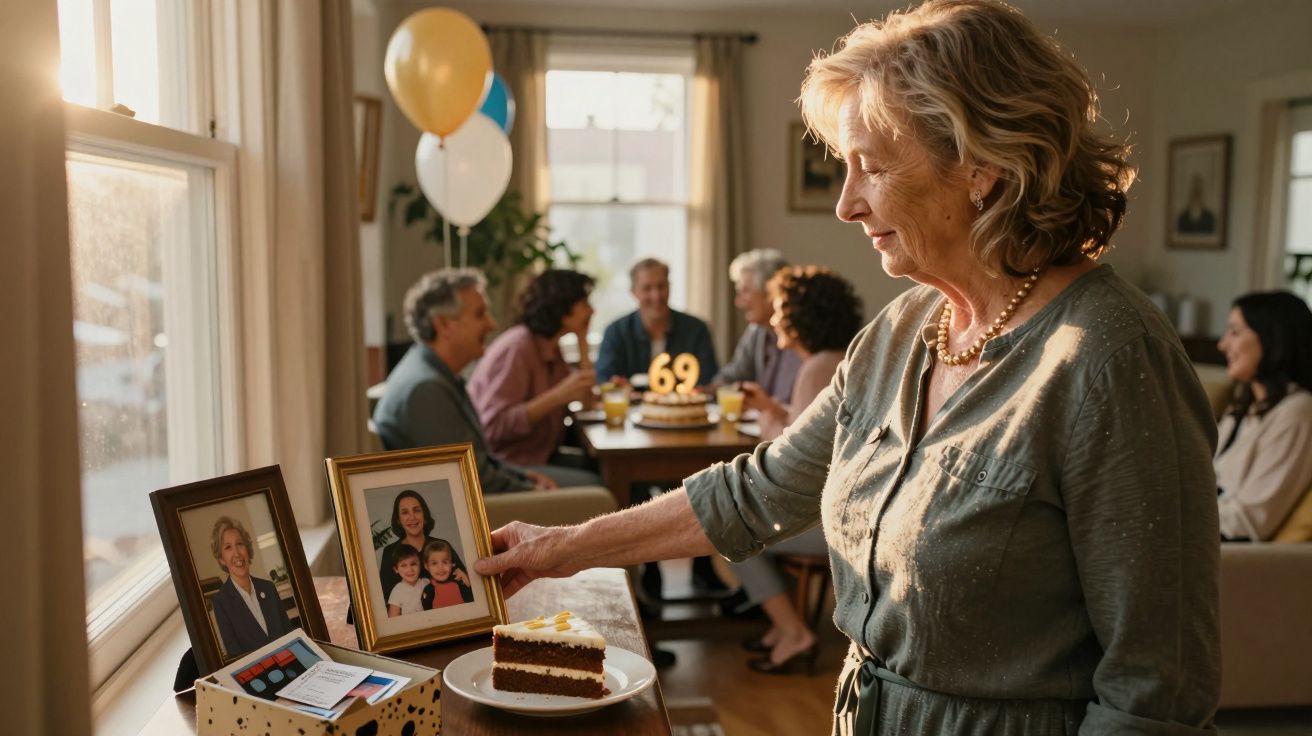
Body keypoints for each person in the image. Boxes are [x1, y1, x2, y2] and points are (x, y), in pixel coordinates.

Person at [474, 2, 1221, 734]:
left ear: (981, 167)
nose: (846, 205)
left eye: (871, 168)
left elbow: (1155, 693)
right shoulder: (900, 333)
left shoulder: (1113, 360)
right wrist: (558, 549)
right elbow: (758, 491)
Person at [727, 266, 864, 674]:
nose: (772, 319)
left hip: (830, 524)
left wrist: (770, 420)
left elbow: (794, 460)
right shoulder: (836, 359)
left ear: (800, 317)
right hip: (843, 510)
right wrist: (771, 409)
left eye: (780, 310)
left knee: (731, 531)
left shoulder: (817, 368)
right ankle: (781, 627)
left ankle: (793, 630)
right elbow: (808, 431)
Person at [372, 268, 561, 492]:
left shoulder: (432, 372)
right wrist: (533, 491)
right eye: (480, 314)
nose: (492, 324)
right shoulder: (426, 389)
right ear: (443, 325)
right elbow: (472, 481)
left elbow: (478, 462)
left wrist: (523, 475)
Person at [468, 269, 601, 486]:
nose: (592, 310)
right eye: (584, 304)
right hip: (510, 464)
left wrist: (583, 342)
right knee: (599, 483)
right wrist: (558, 396)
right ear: (563, 309)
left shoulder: (552, 347)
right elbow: (492, 426)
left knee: (607, 467)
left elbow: (587, 404)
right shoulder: (518, 348)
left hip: (542, 456)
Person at [1215, 291, 1312, 541]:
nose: (1223, 344)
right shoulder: (1245, 405)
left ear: (1271, 339)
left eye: (1235, 332)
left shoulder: (1298, 412)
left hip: (1230, 552)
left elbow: (1250, 520)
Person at [595, 258, 719, 385]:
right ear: (634, 292)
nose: (656, 296)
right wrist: (617, 386)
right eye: (647, 288)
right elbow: (604, 379)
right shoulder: (616, 332)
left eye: (661, 286)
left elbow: (708, 381)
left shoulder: (696, 329)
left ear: (669, 287)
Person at [709, 248, 803, 403]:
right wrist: (702, 392)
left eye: (745, 292)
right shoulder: (757, 331)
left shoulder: (802, 338)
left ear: (771, 292)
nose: (738, 302)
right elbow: (733, 376)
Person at [209, 517, 295, 658]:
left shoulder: (268, 588)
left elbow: (289, 634)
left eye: (240, 544)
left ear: (247, 549)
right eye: (228, 547)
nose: (237, 553)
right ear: (221, 559)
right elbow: (235, 654)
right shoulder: (221, 602)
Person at [376, 490, 470, 601]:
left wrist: (467, 583)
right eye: (405, 512)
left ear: (425, 516)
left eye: (417, 511)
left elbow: (466, 588)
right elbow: (385, 598)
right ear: (398, 520)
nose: (412, 517)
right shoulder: (390, 552)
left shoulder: (443, 546)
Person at [421, 538, 475, 609]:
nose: (440, 567)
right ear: (426, 566)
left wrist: (468, 584)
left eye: (445, 562)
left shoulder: (461, 584)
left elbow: (473, 605)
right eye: (434, 563)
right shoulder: (428, 590)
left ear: (452, 564)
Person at [386, 544, 427, 617]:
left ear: (420, 564)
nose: (410, 569)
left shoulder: (426, 582)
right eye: (404, 565)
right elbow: (393, 617)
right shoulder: (397, 590)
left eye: (413, 564)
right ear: (396, 569)